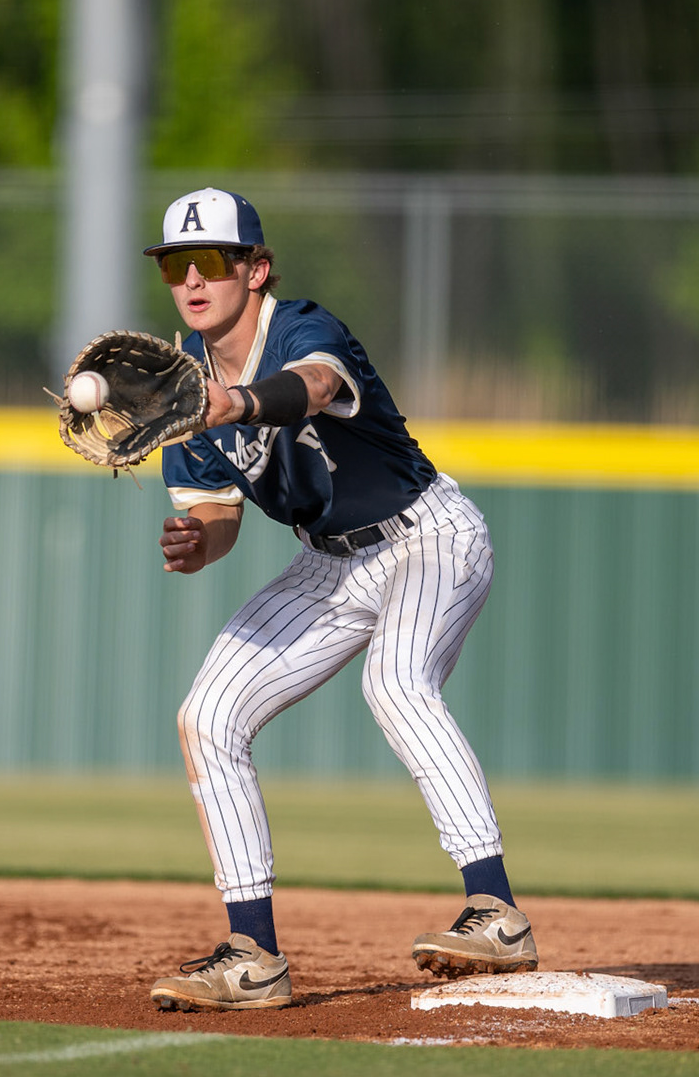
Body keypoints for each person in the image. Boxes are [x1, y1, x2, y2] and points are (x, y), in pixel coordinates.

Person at [144, 187, 535, 1013]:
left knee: (395, 682)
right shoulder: (184, 383)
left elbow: (316, 384)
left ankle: (497, 912)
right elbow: (216, 514)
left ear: (256, 268)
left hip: (426, 534)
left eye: (210, 260)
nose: (192, 280)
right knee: (207, 715)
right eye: (176, 266)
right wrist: (198, 542)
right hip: (326, 563)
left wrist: (236, 402)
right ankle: (254, 955)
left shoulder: (301, 326)